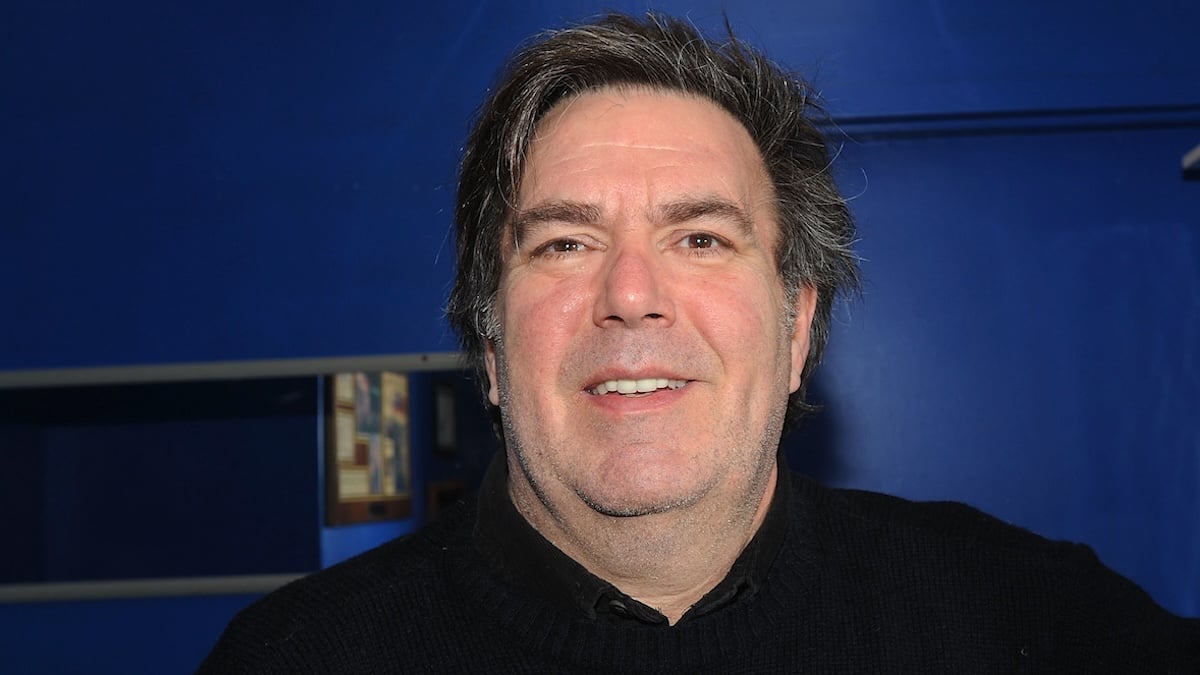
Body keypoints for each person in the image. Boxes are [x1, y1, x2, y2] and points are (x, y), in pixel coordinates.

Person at [200, 12, 1199, 673]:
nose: (630, 294)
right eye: (565, 241)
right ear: (493, 347)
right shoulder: (295, 659)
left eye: (701, 237)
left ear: (799, 324)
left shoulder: (1038, 627)